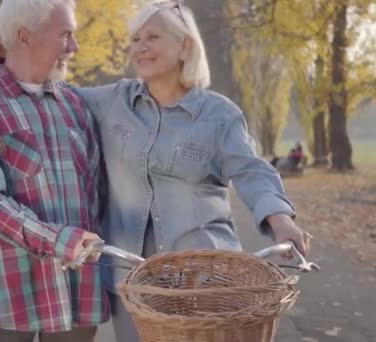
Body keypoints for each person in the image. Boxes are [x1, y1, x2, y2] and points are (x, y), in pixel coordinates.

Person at [70, 1, 313, 341]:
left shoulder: (218, 115)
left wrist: (281, 220)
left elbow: (251, 171)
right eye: (136, 39)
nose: (140, 47)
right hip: (130, 280)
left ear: (184, 45)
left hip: (205, 280)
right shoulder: (114, 101)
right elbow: (55, 95)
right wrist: (11, 59)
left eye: (152, 37)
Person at [0, 0, 108, 341]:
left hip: (77, 297)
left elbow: (97, 195)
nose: (74, 47)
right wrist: (60, 241)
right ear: (24, 35)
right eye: (65, 34)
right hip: (5, 298)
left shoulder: (74, 105)